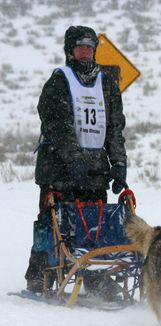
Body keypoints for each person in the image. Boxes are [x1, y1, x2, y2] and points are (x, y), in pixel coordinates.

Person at [24, 25, 128, 296]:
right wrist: (73, 159)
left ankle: (95, 277)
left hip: (95, 169)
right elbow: (56, 124)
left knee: (94, 224)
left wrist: (118, 164)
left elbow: (115, 127)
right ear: (70, 50)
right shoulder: (59, 81)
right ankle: (40, 275)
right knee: (53, 221)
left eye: (90, 47)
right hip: (58, 168)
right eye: (80, 46)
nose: (86, 51)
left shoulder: (106, 82)